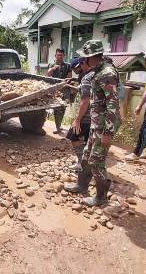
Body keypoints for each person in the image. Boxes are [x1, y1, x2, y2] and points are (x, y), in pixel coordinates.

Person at [63, 40, 120, 207]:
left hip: (103, 127)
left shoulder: (107, 73)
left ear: (91, 57)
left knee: (97, 161)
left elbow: (112, 104)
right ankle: (81, 185)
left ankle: (101, 197)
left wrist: (108, 133)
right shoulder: (98, 71)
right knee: (87, 156)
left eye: (85, 58)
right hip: (96, 124)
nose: (83, 61)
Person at [64, 57, 92, 171]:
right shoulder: (93, 75)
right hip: (94, 116)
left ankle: (82, 164)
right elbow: (80, 89)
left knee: (72, 136)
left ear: (82, 64)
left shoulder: (87, 77)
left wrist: (77, 120)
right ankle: (85, 163)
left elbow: (85, 100)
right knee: (86, 140)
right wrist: (70, 84)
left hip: (87, 116)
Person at [46, 48, 72, 134]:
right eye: (58, 55)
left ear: (64, 56)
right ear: (55, 55)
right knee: (56, 108)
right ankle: (57, 127)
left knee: (63, 108)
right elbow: (48, 74)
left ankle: (59, 125)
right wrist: (54, 68)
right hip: (55, 90)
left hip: (65, 90)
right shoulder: (51, 64)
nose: (60, 57)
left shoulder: (67, 66)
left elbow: (69, 78)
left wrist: (67, 83)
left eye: (61, 55)